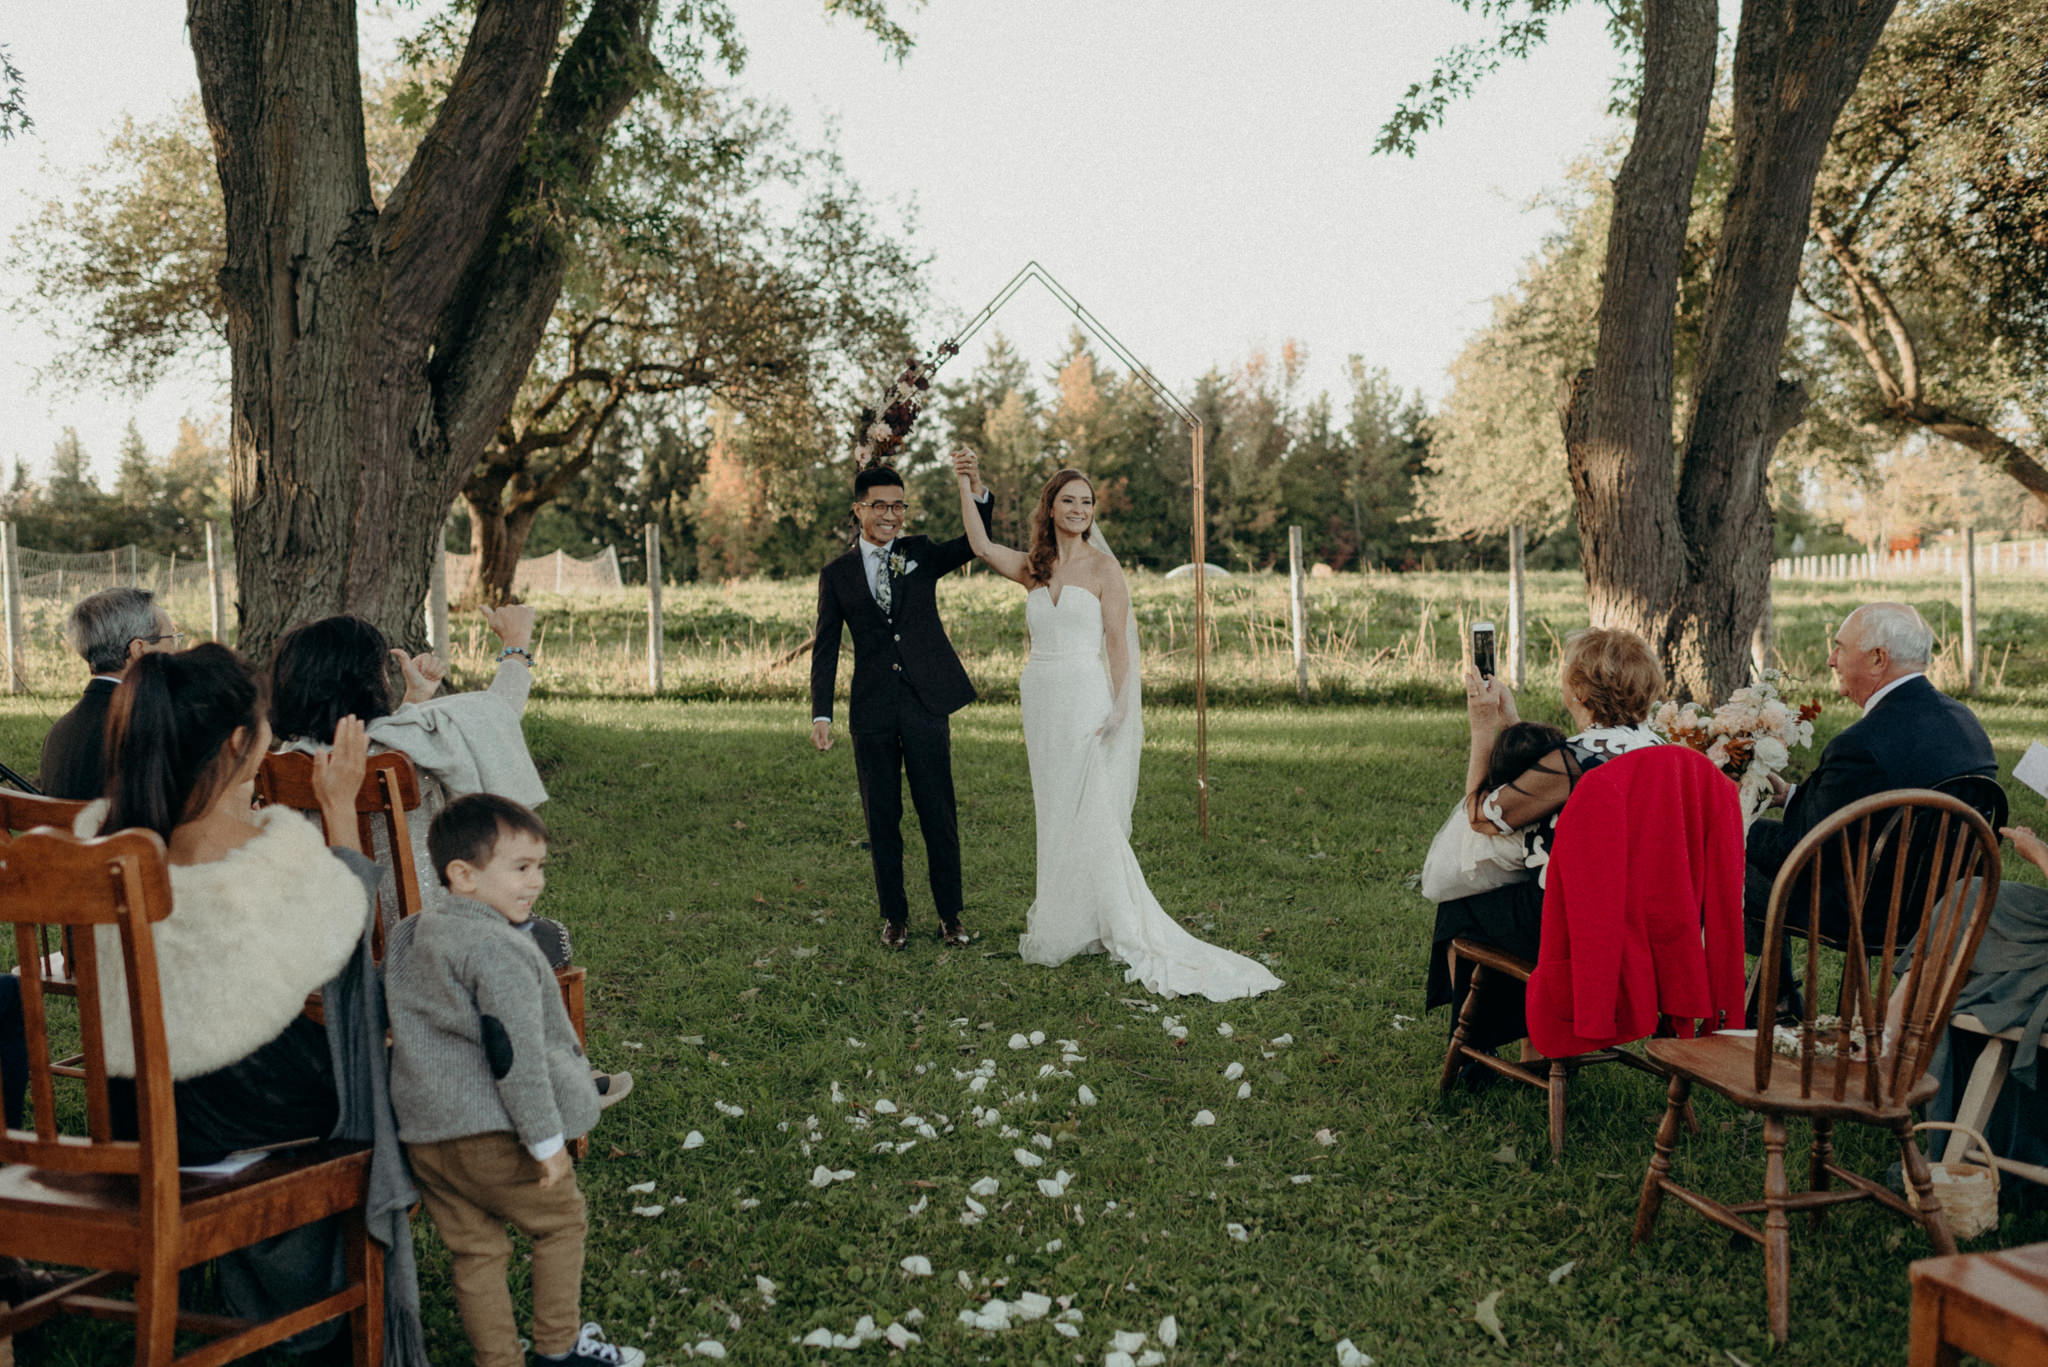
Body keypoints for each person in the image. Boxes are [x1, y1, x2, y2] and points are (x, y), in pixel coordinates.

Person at [952, 456, 1282, 1001]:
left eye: (1087, 502)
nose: (1079, 509)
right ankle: (1068, 916)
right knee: (1055, 805)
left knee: (1092, 806)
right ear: (1050, 509)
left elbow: (1118, 642)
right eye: (1069, 501)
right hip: (1040, 696)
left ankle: (1110, 918)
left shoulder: (1106, 569)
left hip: (1085, 694)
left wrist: (1123, 704)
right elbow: (982, 546)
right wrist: (965, 484)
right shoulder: (1035, 566)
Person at [89, 645, 375, 1161]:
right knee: (406, 1061)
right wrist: (338, 804)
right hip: (250, 1111)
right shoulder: (265, 849)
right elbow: (348, 935)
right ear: (239, 742)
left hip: (135, 1109)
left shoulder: (108, 845)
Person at [386, 793, 641, 1367]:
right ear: (464, 874)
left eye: (541, 867)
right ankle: (557, 1347)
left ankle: (497, 1360)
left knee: (475, 1250)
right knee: (560, 1223)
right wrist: (547, 1143)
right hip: (495, 1132)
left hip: (427, 1135)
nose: (536, 883)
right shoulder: (496, 947)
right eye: (521, 868)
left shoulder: (411, 934)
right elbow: (514, 1055)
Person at [1425, 627, 1665, 1052]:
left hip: (1576, 926)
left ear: (1579, 690)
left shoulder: (1576, 758)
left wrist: (1483, 730)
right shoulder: (1661, 748)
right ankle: (1531, 1035)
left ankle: (1475, 1053)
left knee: (1460, 908)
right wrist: (1510, 722)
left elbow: (1484, 816)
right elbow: (1542, 788)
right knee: (1512, 901)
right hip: (1644, 918)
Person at [269, 606, 557, 944]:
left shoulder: (286, 761)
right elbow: (499, 714)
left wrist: (414, 701)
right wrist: (515, 644)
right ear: (367, 682)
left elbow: (383, 739)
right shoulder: (410, 747)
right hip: (432, 944)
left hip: (329, 947)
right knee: (554, 937)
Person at [810, 460, 994, 951]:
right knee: (882, 818)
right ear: (859, 509)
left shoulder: (921, 553)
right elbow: (826, 647)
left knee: (939, 813)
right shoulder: (837, 574)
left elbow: (976, 543)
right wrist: (821, 713)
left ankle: (951, 917)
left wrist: (976, 493)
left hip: (924, 703)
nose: (891, 515)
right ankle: (894, 917)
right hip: (870, 712)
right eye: (880, 505)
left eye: (898, 505)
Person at [1744, 602, 1996, 951]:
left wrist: (1730, 826)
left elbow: (1804, 851)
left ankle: (1761, 997)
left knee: (1714, 857)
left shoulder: (1861, 744)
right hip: (1943, 903)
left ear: (1879, 659)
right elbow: (1865, 807)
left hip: (1867, 912)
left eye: (1840, 648)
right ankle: (1777, 997)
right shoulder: (1966, 724)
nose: (1831, 660)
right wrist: (1790, 796)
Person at [37, 586, 181, 799]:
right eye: (172, 639)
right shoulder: (150, 727)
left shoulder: (58, 733)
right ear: (139, 650)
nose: (177, 651)